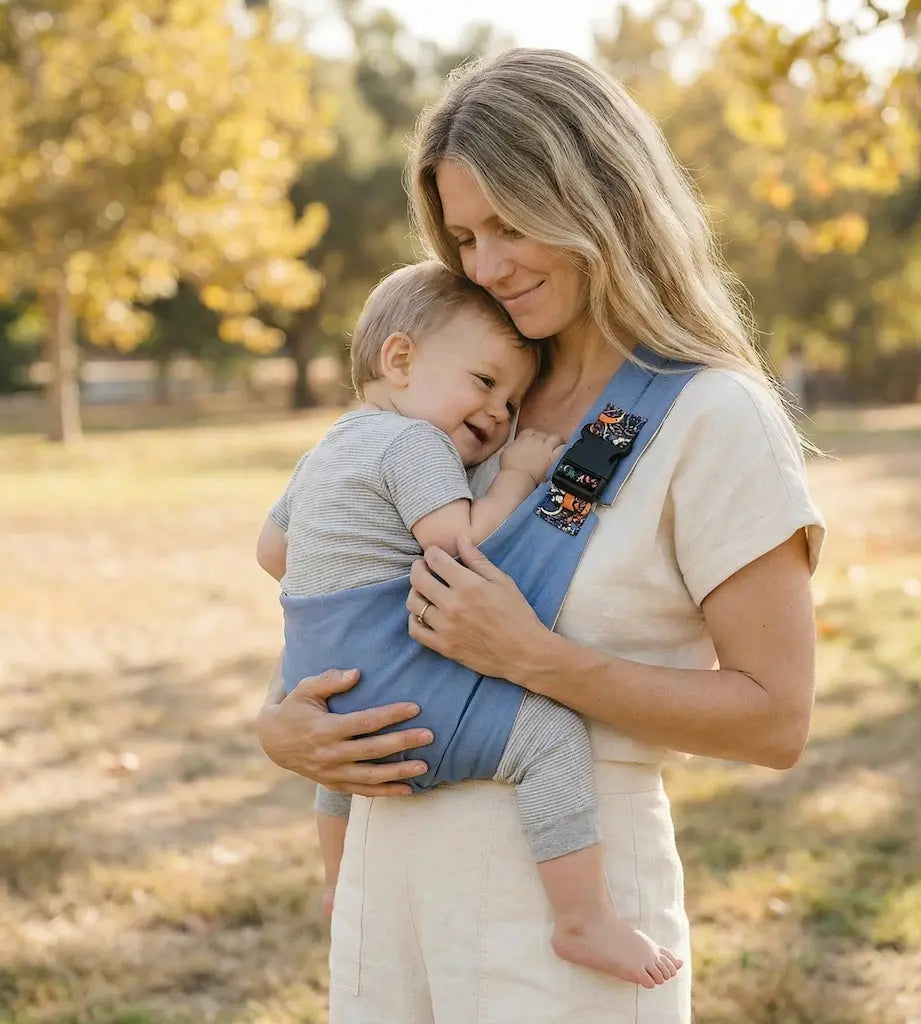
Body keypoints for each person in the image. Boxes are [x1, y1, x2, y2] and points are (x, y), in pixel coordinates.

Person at [256, 48, 825, 1024]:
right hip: (384, 909)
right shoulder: (471, 403)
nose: (486, 266)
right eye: (464, 235)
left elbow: (776, 720)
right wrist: (280, 728)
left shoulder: (710, 415)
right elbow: (338, 582)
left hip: (556, 923)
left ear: (600, 197)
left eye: (512, 224)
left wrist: (536, 659)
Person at [256, 260, 683, 987]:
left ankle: (336, 883)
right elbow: (460, 545)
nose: (497, 414)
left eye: (511, 402)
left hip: (320, 675)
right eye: (484, 382)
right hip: (398, 677)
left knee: (344, 763)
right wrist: (517, 473)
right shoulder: (414, 444)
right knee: (549, 735)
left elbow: (273, 553)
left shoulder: (326, 447)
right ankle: (583, 919)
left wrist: (346, 570)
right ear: (400, 360)